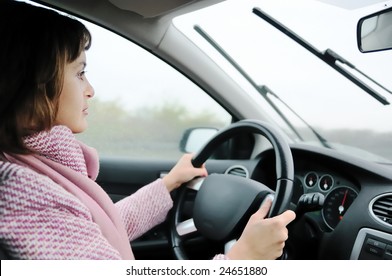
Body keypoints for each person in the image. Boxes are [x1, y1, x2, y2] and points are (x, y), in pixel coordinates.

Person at [0, 0, 295, 260]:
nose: (91, 90)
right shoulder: (20, 191)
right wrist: (244, 259)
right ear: (31, 85)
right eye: (79, 73)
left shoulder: (30, 167)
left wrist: (168, 185)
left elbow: (102, 230)